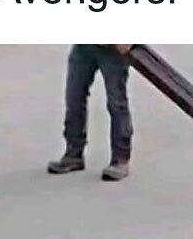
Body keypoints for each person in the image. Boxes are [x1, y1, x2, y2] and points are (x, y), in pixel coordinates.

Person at [47, 44, 134, 182]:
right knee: (74, 97)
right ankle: (73, 154)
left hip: (113, 50)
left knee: (116, 103)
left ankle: (120, 159)